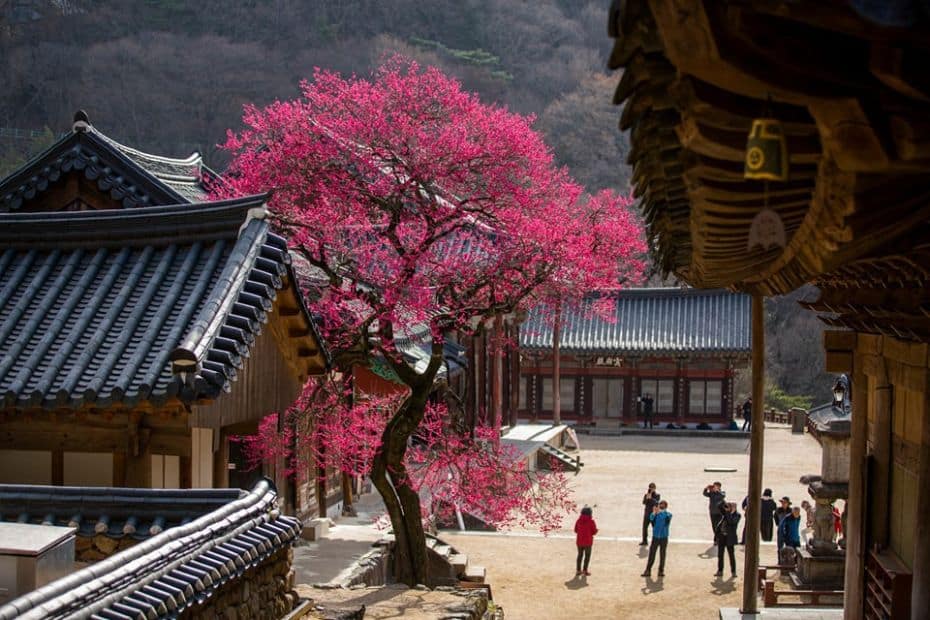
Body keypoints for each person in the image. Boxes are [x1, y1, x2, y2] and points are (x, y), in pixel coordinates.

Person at [641, 500, 672, 578]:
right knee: (652, 554)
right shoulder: (655, 514)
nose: (661, 506)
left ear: (665, 507)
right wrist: (655, 513)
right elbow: (651, 518)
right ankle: (648, 570)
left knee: (662, 554)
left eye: (663, 505)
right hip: (656, 537)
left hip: (663, 537)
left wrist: (659, 512)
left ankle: (661, 570)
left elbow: (666, 519)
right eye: (660, 505)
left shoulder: (668, 514)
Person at [715, 502, 740, 577]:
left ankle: (733, 571)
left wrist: (728, 512)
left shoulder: (737, 515)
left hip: (730, 538)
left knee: (731, 555)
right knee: (720, 555)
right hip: (722, 537)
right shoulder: (726, 513)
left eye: (731, 507)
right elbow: (719, 506)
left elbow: (731, 521)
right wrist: (723, 501)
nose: (729, 508)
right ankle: (720, 570)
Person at [574, 506, 598, 576]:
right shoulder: (591, 521)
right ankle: (585, 570)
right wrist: (596, 530)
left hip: (579, 542)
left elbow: (575, 530)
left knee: (579, 555)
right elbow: (594, 532)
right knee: (587, 556)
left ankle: (578, 570)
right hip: (588, 542)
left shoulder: (578, 521)